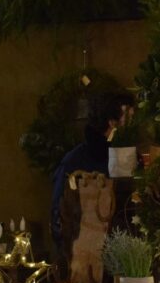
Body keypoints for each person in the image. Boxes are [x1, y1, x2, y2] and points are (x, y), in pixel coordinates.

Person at [49, 91, 134, 248]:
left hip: (121, 249)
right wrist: (69, 250)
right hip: (86, 250)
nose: (131, 125)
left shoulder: (126, 157)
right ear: (112, 122)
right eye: (127, 118)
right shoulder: (75, 160)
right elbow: (58, 211)